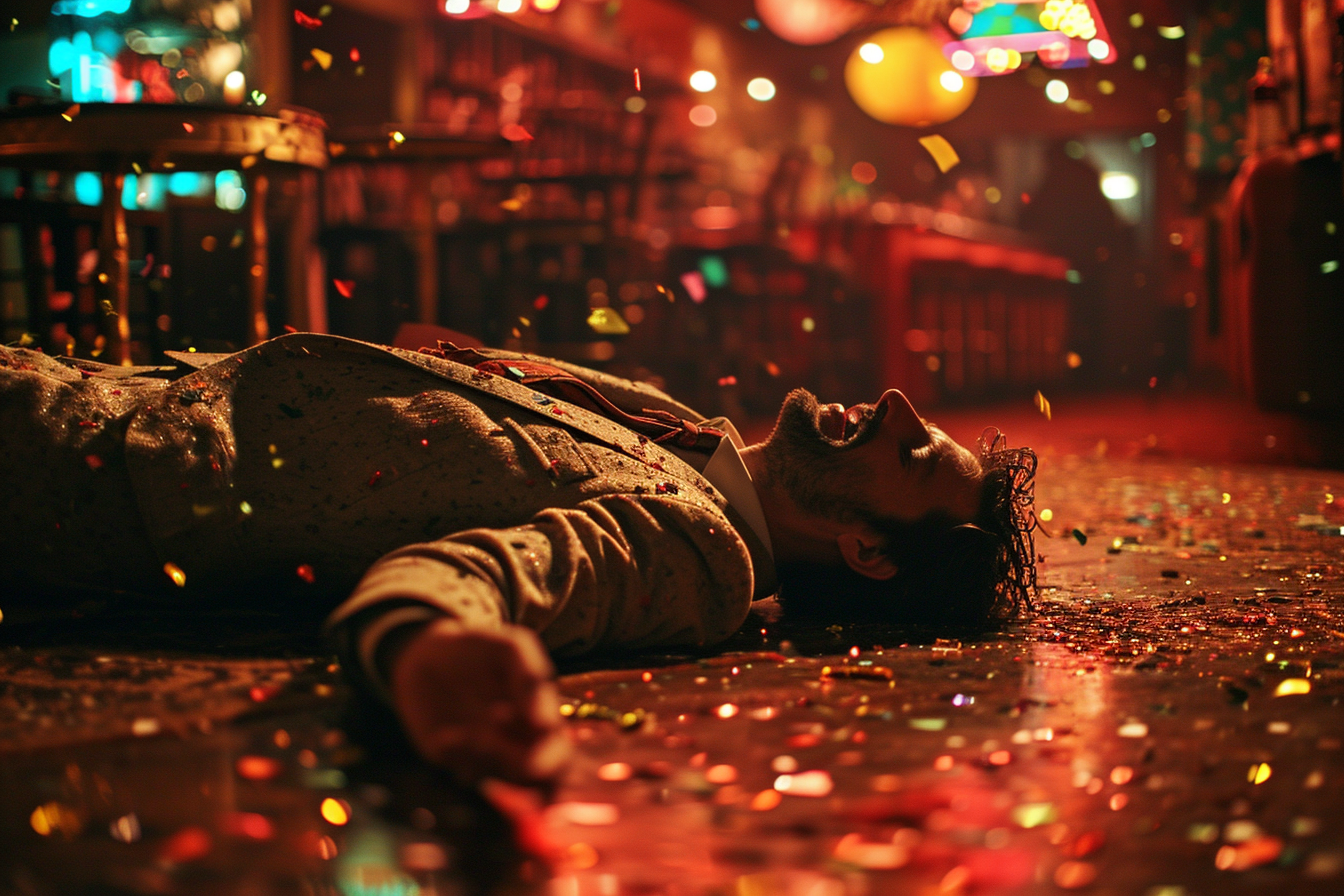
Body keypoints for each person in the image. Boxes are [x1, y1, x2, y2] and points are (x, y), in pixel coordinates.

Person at [0, 332, 1037, 784]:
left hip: (95, 472)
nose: (899, 406)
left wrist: (426, 643)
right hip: (115, 390)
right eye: (918, 421)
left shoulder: (700, 548)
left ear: (865, 552)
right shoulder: (687, 432)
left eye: (913, 453)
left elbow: (503, 571)